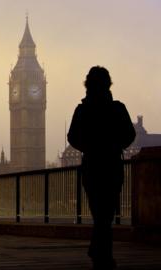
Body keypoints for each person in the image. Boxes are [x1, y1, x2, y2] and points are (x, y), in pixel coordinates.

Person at [68, 66, 135, 269]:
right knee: (105, 214)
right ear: (108, 84)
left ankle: (99, 254)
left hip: (92, 167)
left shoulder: (82, 110)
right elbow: (130, 135)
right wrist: (115, 146)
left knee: (100, 213)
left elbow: (72, 137)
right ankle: (103, 257)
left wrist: (89, 147)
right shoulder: (117, 108)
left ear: (87, 85)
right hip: (112, 166)